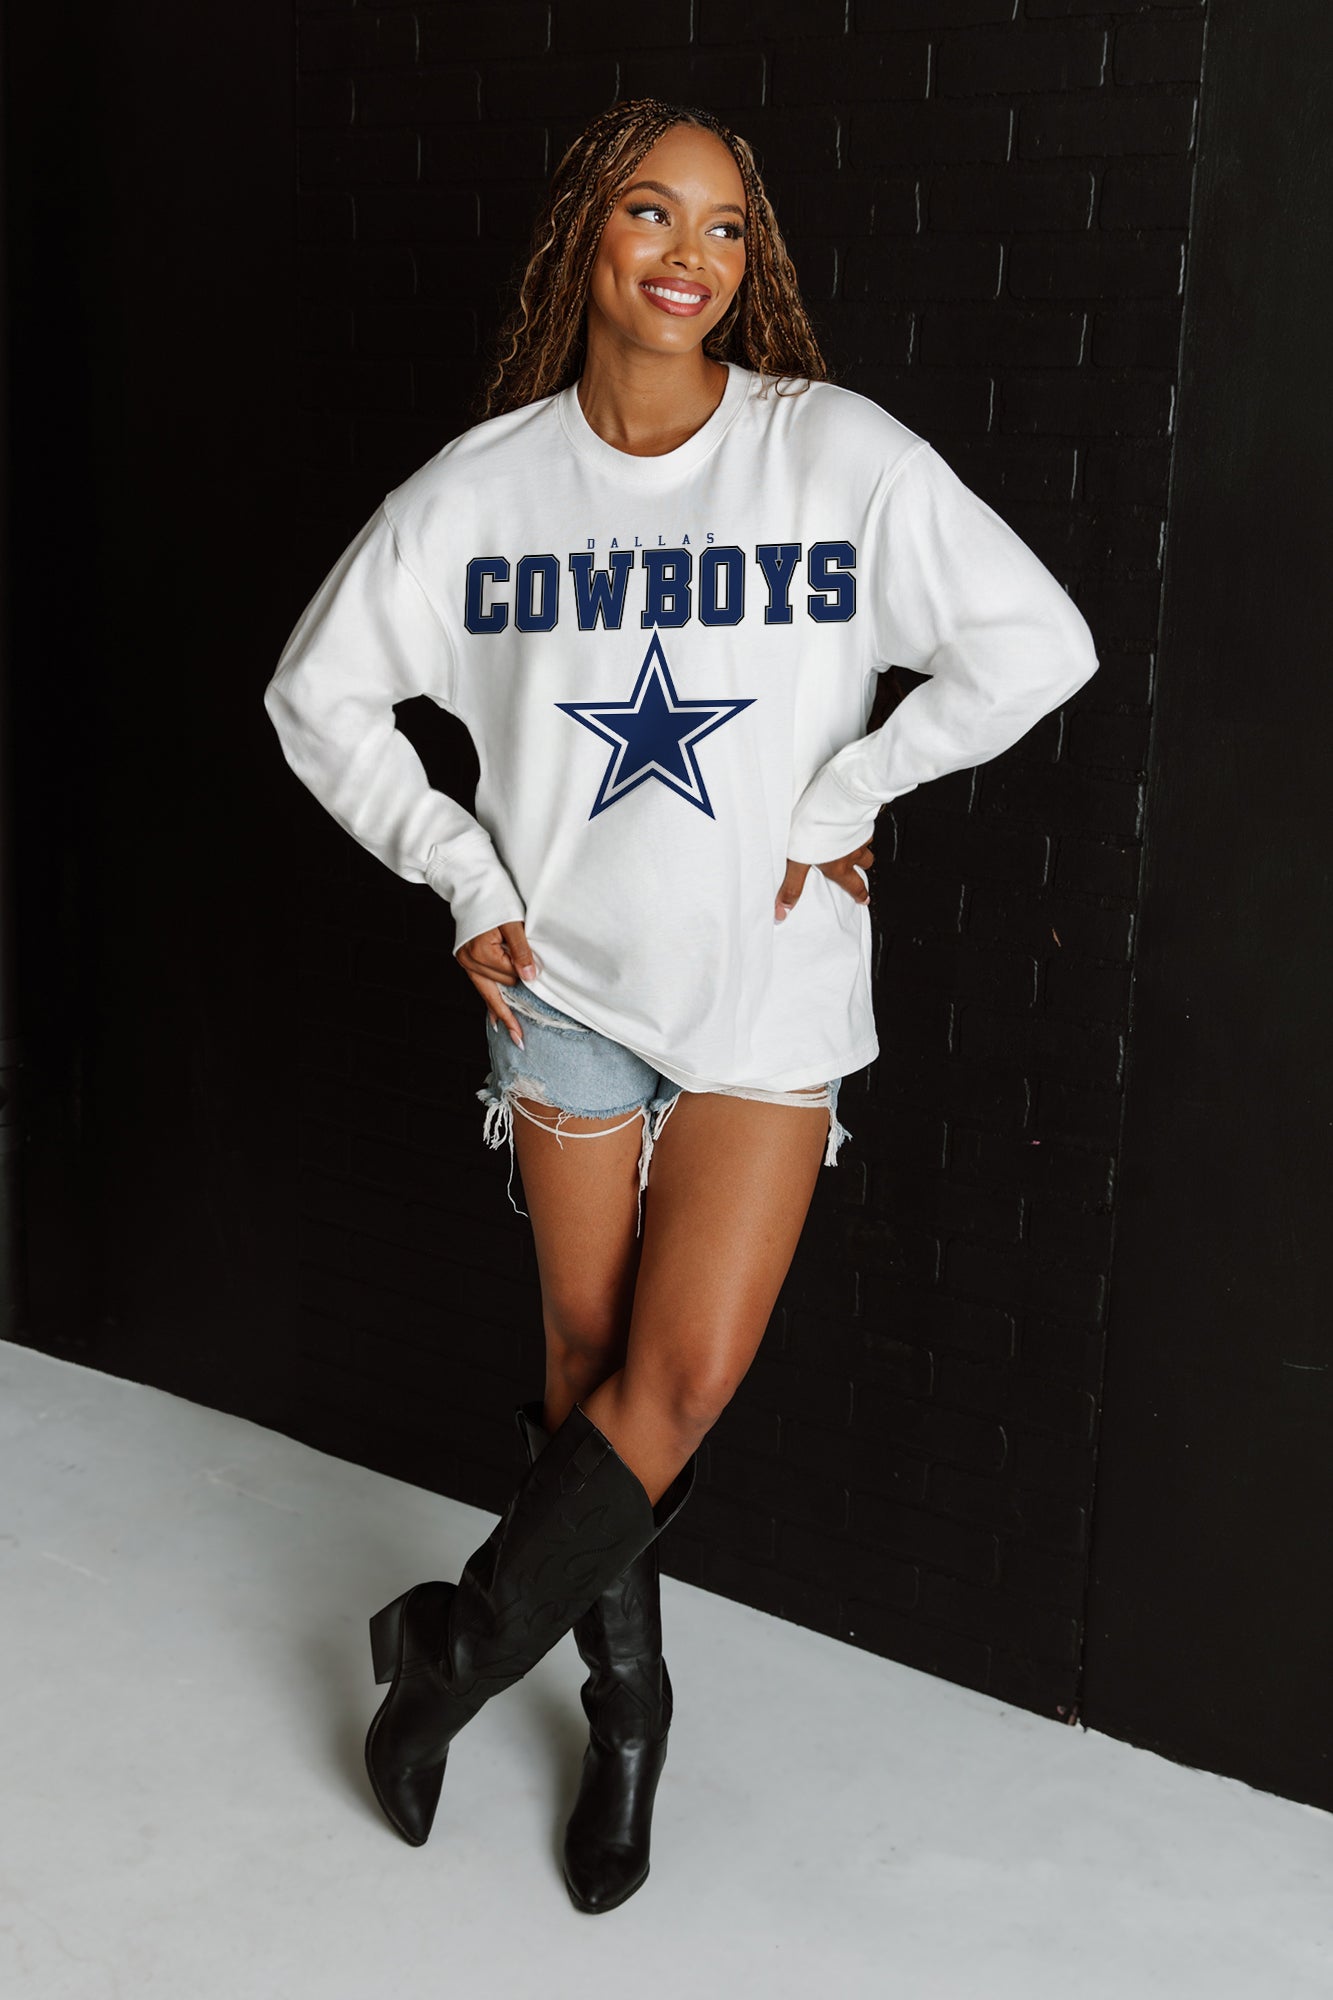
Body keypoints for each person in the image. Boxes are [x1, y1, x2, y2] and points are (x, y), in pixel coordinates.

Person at [263, 96, 1099, 1913]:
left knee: (683, 1377)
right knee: (587, 1380)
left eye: (724, 227)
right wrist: (460, 871)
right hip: (563, 990)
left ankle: (451, 1655)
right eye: (652, 212)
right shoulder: (481, 490)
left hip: (766, 998)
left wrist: (852, 789)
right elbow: (314, 695)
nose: (688, 256)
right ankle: (626, 1711)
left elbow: (1040, 640)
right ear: (588, 228)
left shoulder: (828, 454)